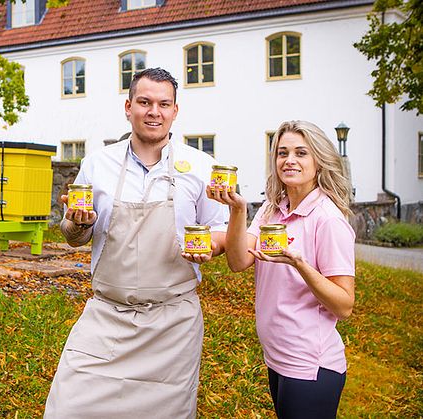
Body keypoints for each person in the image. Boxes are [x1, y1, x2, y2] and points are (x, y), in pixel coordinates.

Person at [43, 67, 229, 418]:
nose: (153, 112)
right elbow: (73, 236)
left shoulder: (201, 168)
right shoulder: (97, 165)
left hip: (172, 325)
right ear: (128, 107)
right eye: (144, 102)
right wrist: (77, 225)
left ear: (175, 111)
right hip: (107, 317)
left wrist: (211, 247)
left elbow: (219, 229)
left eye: (163, 104)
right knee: (66, 408)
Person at [208, 120, 355, 418]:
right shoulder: (272, 208)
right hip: (277, 357)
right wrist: (237, 210)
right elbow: (238, 261)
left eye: (301, 153)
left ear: (319, 161)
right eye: (282, 152)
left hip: (311, 364)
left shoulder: (327, 219)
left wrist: (299, 264)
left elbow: (344, 305)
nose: (289, 160)